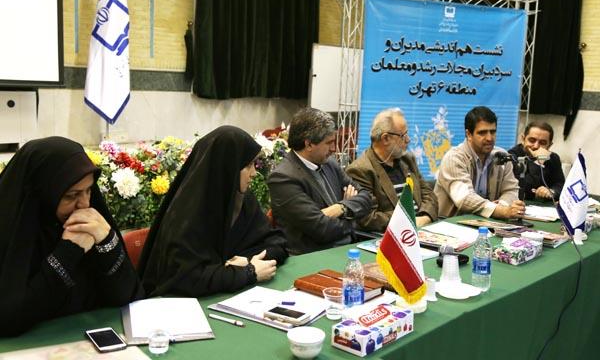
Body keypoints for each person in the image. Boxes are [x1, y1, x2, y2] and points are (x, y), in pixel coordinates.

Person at [0, 137, 143, 337]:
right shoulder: (11, 232)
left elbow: (128, 297)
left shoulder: (91, 225)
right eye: (71, 195)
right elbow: (8, 318)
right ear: (43, 193)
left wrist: (107, 242)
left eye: (88, 191)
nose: (84, 204)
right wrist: (68, 252)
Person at [138, 126, 287, 297]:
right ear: (226, 167)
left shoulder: (242, 199)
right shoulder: (187, 212)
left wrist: (247, 261)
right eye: (247, 166)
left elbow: (277, 243)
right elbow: (187, 278)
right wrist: (248, 273)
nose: (254, 173)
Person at [268, 108, 371, 255]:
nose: (334, 149)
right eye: (329, 143)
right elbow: (322, 229)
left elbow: (366, 197)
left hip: (347, 248)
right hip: (311, 256)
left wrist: (341, 208)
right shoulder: (283, 178)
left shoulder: (330, 163)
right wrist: (353, 217)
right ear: (309, 144)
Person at [346, 108, 438, 232]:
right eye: (403, 135)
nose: (408, 140)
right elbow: (369, 218)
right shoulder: (361, 170)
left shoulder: (407, 159)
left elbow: (428, 194)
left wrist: (425, 217)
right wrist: (409, 220)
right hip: (393, 235)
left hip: (422, 227)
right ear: (385, 138)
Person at [434, 106, 525, 219]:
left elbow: (511, 190)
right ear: (469, 134)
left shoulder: (502, 156)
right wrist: (500, 211)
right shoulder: (454, 158)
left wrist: (502, 205)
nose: (489, 138)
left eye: (493, 132)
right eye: (482, 133)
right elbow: (465, 198)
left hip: (486, 223)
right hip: (449, 223)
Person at [509, 121, 565, 201]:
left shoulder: (553, 158)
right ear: (523, 139)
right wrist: (538, 162)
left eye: (542, 143)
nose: (536, 146)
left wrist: (551, 192)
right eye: (532, 140)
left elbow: (560, 185)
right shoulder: (512, 156)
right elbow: (525, 188)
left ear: (549, 145)